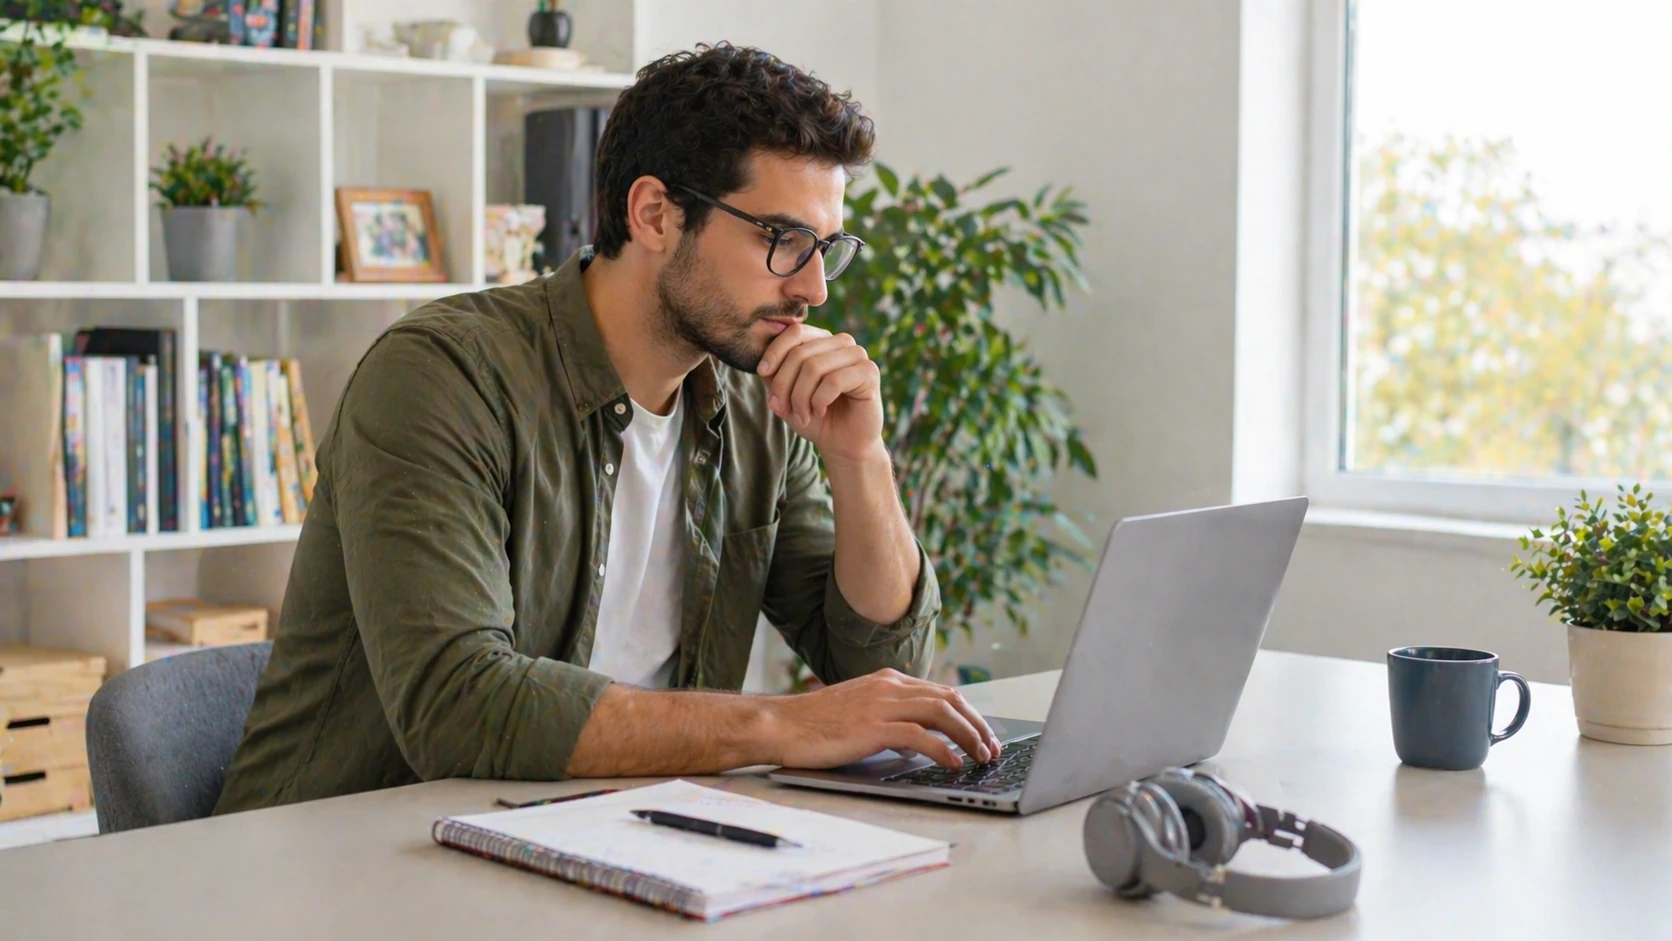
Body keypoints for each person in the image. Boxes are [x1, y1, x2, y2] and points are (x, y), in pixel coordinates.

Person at [213, 43, 1001, 814]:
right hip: (349, 858)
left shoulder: (757, 399)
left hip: (609, 835)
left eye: (826, 247)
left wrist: (861, 460)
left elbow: (885, 666)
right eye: (783, 241)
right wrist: (780, 724)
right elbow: (458, 706)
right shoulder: (442, 376)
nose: (815, 287)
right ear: (655, 213)